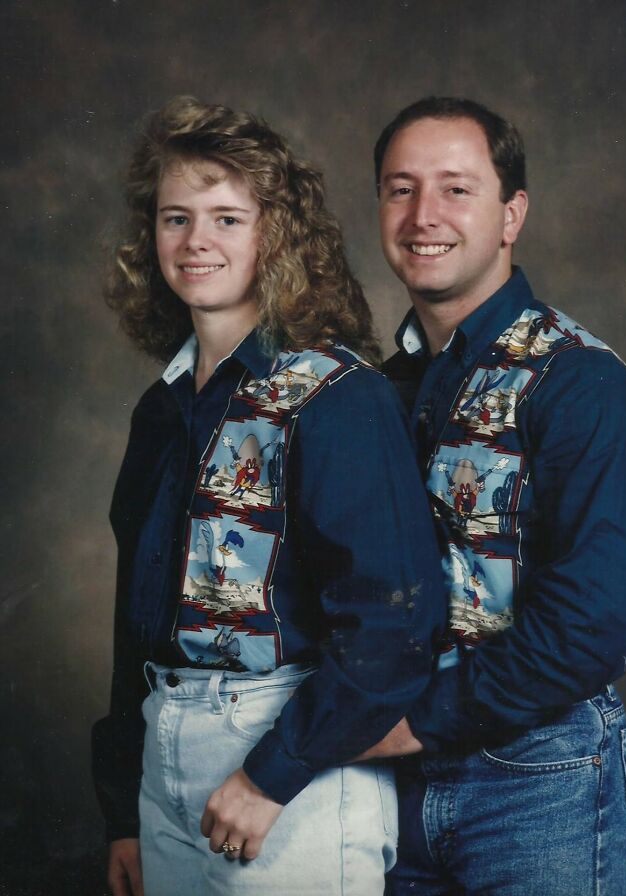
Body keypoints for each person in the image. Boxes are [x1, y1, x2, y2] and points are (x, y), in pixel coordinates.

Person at [92, 96, 445, 896]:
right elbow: (136, 617)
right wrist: (124, 809)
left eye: (226, 218)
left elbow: (393, 628)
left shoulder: (335, 397)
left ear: (275, 236)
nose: (196, 242)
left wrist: (269, 777)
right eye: (176, 218)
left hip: (289, 758)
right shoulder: (163, 407)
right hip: (164, 752)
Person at [362, 97, 626, 895]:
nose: (423, 214)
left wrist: (403, 724)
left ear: (511, 214)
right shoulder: (372, 393)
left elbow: (590, 624)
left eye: (456, 189)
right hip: (384, 787)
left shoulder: (580, 384)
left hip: (539, 780)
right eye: (401, 188)